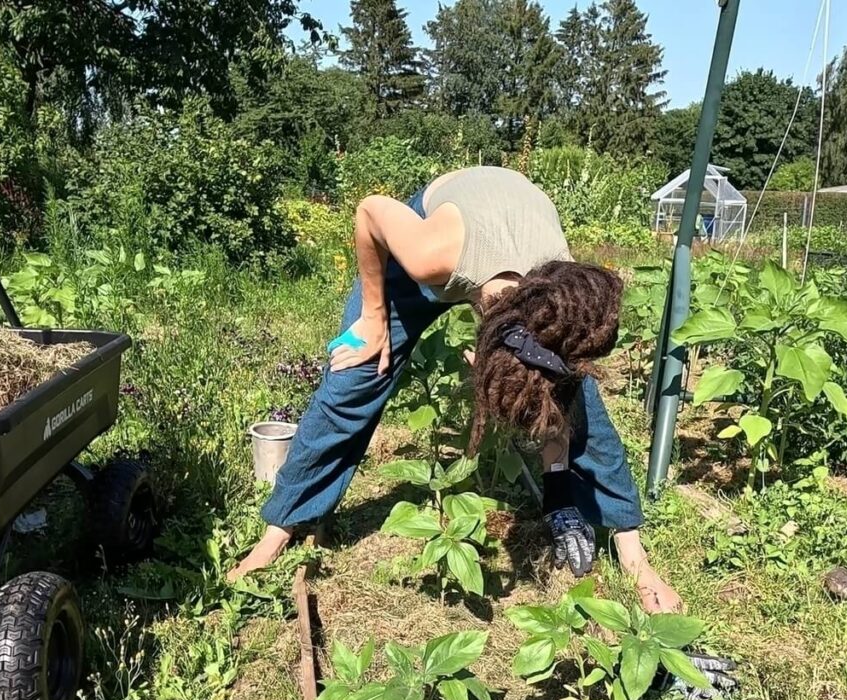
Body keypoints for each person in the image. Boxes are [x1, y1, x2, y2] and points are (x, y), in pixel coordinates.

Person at [226, 166, 683, 613]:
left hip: (521, 232)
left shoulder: (556, 305)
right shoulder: (432, 254)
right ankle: (283, 524)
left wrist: (637, 564)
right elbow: (369, 212)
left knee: (578, 404)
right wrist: (372, 315)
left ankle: (631, 551)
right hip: (445, 234)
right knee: (357, 375)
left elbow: (562, 405)